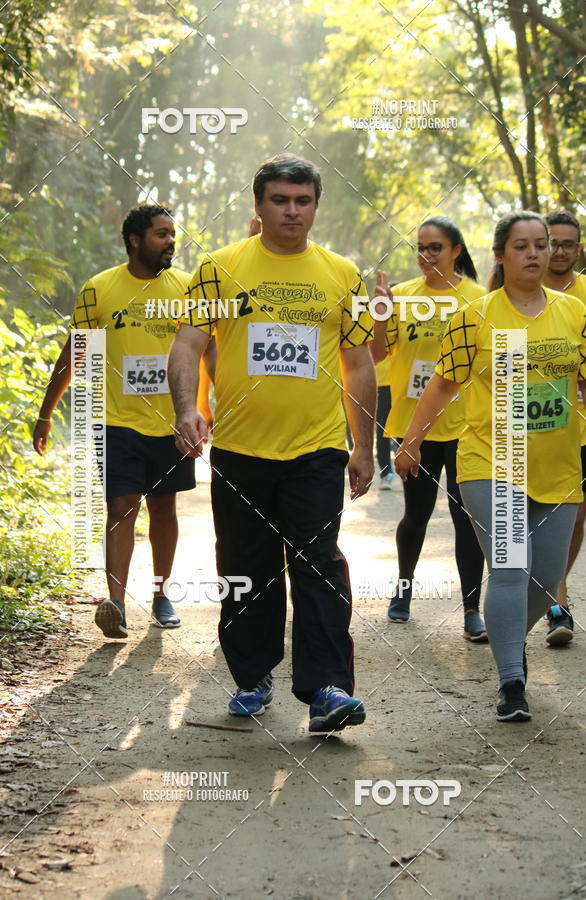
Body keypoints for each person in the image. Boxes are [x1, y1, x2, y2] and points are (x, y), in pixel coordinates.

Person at [168, 153, 376, 733]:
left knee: (318, 565)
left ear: (315, 206)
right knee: (246, 568)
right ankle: (253, 674)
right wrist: (187, 407)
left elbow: (358, 366)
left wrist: (364, 447)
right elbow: (187, 345)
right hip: (239, 449)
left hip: (315, 450)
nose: (292, 211)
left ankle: (327, 690)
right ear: (258, 206)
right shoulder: (219, 267)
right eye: (280, 200)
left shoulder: (341, 274)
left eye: (302, 201)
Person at [396, 210, 586, 722]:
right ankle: (512, 682)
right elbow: (442, 384)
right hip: (493, 461)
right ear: (501, 255)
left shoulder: (574, 312)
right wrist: (411, 443)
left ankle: (511, 641)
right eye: (523, 246)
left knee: (545, 577)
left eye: (542, 244)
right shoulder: (476, 315)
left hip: (556, 466)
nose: (536, 253)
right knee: (510, 568)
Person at [33, 204, 196, 639]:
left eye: (172, 234)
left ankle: (162, 594)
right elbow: (75, 352)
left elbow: (206, 349)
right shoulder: (100, 289)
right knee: (122, 507)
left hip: (171, 420)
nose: (170, 242)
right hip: (117, 420)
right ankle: (117, 604)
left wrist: (205, 406)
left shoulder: (186, 288)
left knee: (164, 508)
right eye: (161, 234)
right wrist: (46, 412)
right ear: (134, 240)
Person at [370, 217, 486, 641]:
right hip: (414, 427)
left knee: (466, 517)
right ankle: (403, 589)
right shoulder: (400, 296)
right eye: (421, 248)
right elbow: (378, 354)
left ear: (456, 250)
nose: (426, 256)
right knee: (415, 514)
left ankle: (472, 609)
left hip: (466, 427)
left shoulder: (479, 298)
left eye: (435, 247)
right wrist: (381, 313)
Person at [542, 210, 586, 645]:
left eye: (568, 244)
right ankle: (527, 591)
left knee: (574, 510)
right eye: (552, 242)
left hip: (581, 425)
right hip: (522, 427)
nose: (559, 251)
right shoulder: (519, 291)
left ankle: (557, 598)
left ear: (578, 248)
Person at [375, 355, 395, 488]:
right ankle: (385, 473)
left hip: (403, 379)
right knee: (382, 429)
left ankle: (412, 471)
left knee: (408, 427)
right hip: (381, 382)